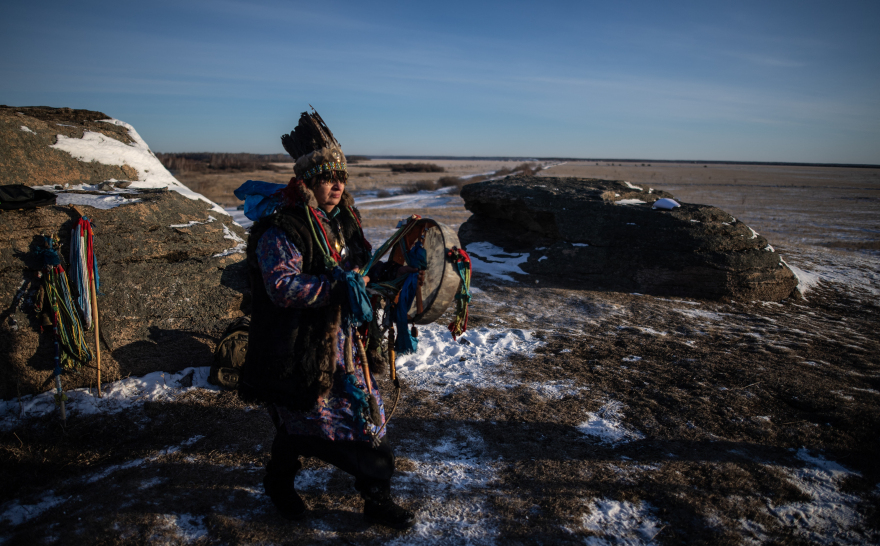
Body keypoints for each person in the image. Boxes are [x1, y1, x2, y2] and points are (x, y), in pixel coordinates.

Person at [238, 111, 416, 529]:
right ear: (306, 182)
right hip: (297, 347)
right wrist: (338, 287)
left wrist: (397, 269)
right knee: (304, 422)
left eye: (341, 178)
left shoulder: (344, 223)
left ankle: (375, 497)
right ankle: (282, 483)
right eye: (326, 177)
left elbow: (362, 270)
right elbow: (281, 286)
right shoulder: (281, 229)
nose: (336, 186)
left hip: (346, 349)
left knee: (359, 421)